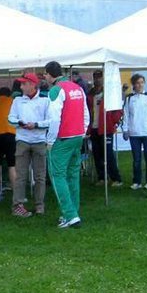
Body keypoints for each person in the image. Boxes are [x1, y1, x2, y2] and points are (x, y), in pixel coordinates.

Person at [44, 61, 90, 229]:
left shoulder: (56, 90)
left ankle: (69, 215)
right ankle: (73, 212)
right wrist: (82, 132)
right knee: (73, 175)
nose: (45, 77)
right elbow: (86, 114)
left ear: (50, 75)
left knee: (57, 176)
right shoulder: (78, 88)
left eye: (45, 74)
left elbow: (54, 119)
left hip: (62, 138)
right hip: (77, 137)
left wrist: (50, 141)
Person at [8, 73, 51, 216]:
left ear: (32, 85)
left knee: (40, 176)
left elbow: (50, 121)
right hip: (22, 140)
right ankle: (17, 205)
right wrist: (20, 123)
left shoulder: (45, 100)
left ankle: (39, 205)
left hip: (39, 141)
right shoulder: (17, 100)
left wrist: (36, 125)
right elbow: (10, 118)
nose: (20, 87)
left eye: (23, 84)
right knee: (20, 175)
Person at [122, 73, 147, 191]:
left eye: (142, 82)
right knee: (136, 160)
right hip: (134, 133)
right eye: (138, 83)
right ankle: (136, 181)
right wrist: (125, 130)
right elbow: (126, 115)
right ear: (134, 84)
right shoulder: (129, 99)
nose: (140, 85)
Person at [87, 70, 123, 187]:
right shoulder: (91, 93)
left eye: (99, 77)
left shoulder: (109, 92)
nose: (97, 79)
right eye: (95, 77)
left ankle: (116, 178)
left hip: (106, 128)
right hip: (94, 127)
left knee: (108, 153)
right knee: (97, 154)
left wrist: (113, 122)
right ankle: (102, 177)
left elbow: (117, 109)